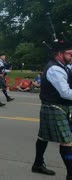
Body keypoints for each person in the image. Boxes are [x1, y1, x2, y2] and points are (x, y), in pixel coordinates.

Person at [31, 40, 72, 179]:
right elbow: (65, 93)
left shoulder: (64, 66)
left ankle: (37, 164)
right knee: (67, 140)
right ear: (59, 54)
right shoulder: (55, 69)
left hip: (58, 106)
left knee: (43, 136)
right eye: (70, 54)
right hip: (54, 107)